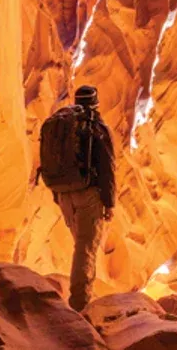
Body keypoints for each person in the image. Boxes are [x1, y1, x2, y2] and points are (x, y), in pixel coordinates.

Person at [38, 85, 116, 310]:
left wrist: (57, 194)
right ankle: (80, 305)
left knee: (80, 245)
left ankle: (80, 296)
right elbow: (106, 167)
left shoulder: (62, 124)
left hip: (63, 193)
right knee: (86, 247)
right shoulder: (95, 127)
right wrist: (109, 203)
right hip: (87, 193)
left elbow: (51, 160)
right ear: (95, 103)